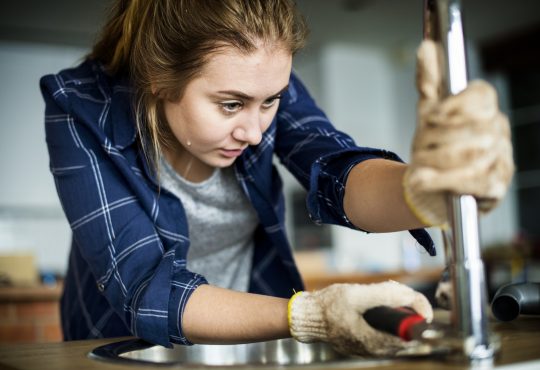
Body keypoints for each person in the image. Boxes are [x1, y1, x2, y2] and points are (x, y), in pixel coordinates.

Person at [40, 0, 513, 357]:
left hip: (250, 330)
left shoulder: (262, 80)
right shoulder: (79, 107)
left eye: (270, 103)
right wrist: (310, 314)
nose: (253, 130)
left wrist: (422, 189)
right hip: (124, 346)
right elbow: (146, 286)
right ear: (159, 80)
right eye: (230, 104)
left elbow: (334, 168)